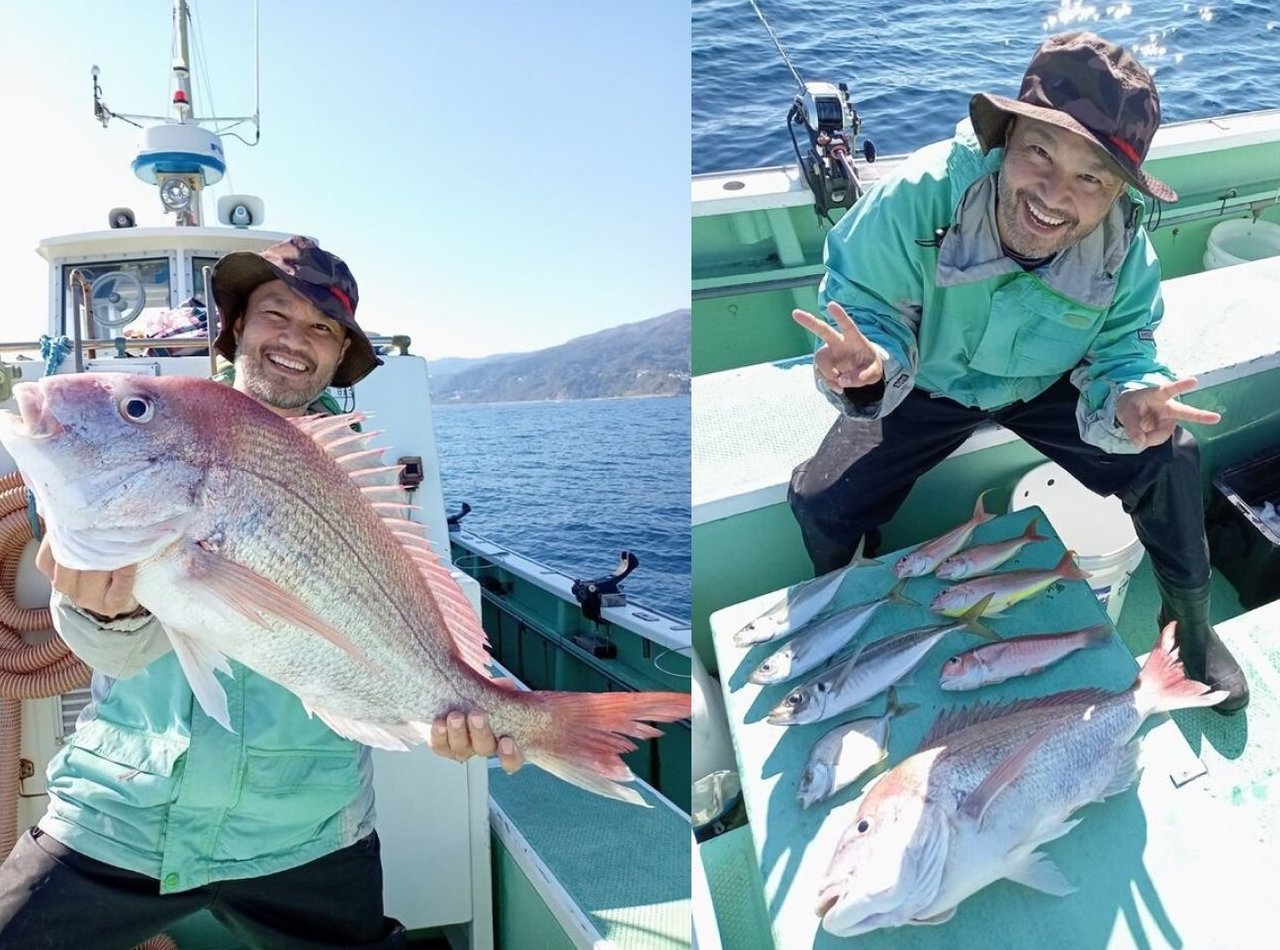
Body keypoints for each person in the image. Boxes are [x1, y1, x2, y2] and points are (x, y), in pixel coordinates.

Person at [0, 235, 524, 948]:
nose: (295, 339)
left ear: (340, 356)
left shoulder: (355, 489)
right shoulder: (165, 449)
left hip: (306, 825)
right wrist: (101, 608)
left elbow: (402, 626)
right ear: (238, 326)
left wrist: (460, 708)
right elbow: (116, 657)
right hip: (123, 812)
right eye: (276, 313)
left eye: (321, 329)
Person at [787, 32, 1248, 713]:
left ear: (1118, 191)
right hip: (924, 379)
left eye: (1091, 177)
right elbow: (866, 306)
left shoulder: (1125, 248)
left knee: (1171, 457)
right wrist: (869, 369)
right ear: (1006, 141)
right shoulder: (917, 197)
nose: (1055, 195)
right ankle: (857, 612)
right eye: (1040, 153)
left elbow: (1124, 348)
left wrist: (1128, 397)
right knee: (822, 499)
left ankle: (1189, 630)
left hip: (1048, 386)